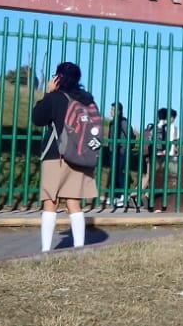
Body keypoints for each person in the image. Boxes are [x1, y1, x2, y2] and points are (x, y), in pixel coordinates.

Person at [31, 62, 100, 251]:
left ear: (58, 77)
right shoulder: (87, 100)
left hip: (56, 154)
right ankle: (79, 248)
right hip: (79, 155)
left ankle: (46, 250)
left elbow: (37, 118)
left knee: (50, 201)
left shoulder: (56, 97)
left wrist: (48, 92)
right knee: (74, 202)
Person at [108, 102, 133, 210]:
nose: (111, 112)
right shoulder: (112, 122)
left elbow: (129, 135)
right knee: (115, 172)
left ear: (119, 111)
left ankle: (123, 195)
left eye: (113, 110)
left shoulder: (123, 121)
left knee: (119, 172)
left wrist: (124, 146)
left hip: (121, 151)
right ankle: (117, 196)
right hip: (113, 150)